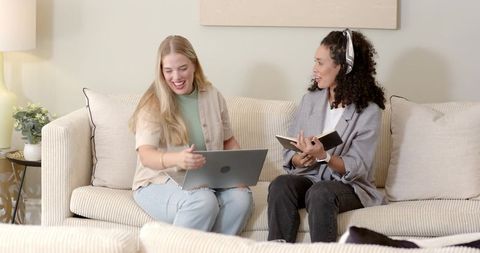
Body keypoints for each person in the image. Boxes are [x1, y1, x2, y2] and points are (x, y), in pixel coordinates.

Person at [267, 29, 386, 243]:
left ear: (343, 67)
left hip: (349, 185)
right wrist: (298, 157)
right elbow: (290, 152)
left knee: (321, 193)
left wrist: (325, 157)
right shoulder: (310, 100)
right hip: (310, 176)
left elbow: (360, 167)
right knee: (280, 184)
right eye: (316, 62)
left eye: (320, 63)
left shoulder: (368, 111)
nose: (315, 69)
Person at [129, 35, 252, 235]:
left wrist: (238, 173)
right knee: (203, 201)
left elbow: (228, 140)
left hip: (206, 178)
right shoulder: (153, 102)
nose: (176, 77)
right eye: (168, 71)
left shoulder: (212, 95)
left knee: (241, 198)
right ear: (161, 71)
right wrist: (178, 159)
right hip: (156, 182)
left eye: (182, 68)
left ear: (194, 64)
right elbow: (146, 155)